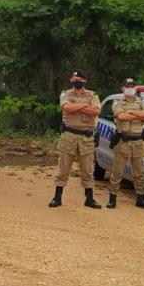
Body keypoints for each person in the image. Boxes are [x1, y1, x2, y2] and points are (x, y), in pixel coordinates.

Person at [49, 70, 102, 209]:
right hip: (69, 136)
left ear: (84, 81)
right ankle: (57, 197)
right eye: (73, 78)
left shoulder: (92, 95)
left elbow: (95, 111)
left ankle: (89, 199)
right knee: (63, 169)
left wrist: (76, 108)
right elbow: (67, 108)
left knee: (87, 170)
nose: (75, 80)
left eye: (78, 78)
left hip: (86, 137)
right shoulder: (65, 94)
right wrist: (85, 106)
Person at [110, 78, 144, 209]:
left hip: (138, 142)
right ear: (123, 89)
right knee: (117, 172)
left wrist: (131, 112)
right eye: (128, 86)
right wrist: (138, 115)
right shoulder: (117, 103)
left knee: (139, 172)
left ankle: (140, 198)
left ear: (136, 88)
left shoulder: (141, 102)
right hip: (123, 141)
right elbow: (121, 117)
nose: (130, 88)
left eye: (132, 86)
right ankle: (112, 198)